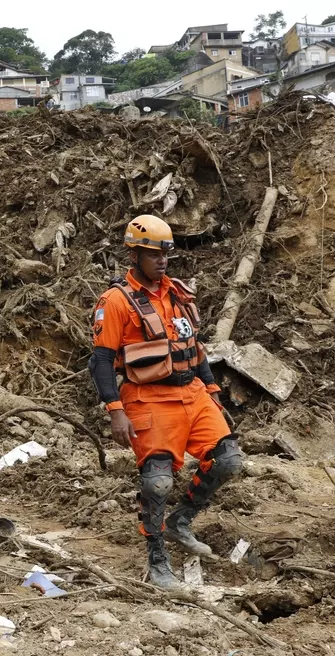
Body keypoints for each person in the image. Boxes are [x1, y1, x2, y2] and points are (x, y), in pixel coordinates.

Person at [89, 215, 242, 590]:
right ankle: (158, 561)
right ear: (135, 254)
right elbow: (101, 361)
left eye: (165, 254)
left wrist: (212, 391)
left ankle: (180, 521)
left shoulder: (176, 293)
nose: (162, 261)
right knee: (157, 483)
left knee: (228, 460)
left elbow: (193, 347)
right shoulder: (116, 302)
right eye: (153, 254)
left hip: (192, 393)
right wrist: (115, 411)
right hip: (148, 398)